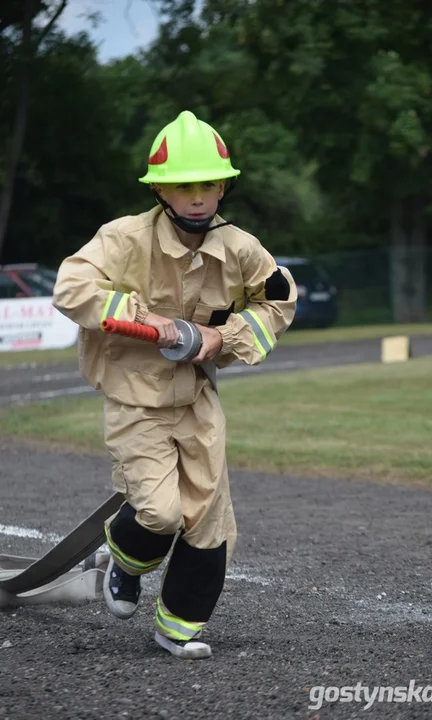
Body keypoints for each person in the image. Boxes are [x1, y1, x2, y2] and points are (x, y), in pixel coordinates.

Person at [53, 110, 297, 660]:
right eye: (185, 185)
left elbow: (279, 295)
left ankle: (178, 627)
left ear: (223, 186)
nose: (197, 197)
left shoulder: (240, 247)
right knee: (161, 513)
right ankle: (125, 558)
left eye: (208, 184)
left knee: (210, 519)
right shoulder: (124, 238)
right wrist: (142, 316)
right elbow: (70, 287)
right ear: (161, 189)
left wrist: (225, 338)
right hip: (135, 398)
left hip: (197, 395)